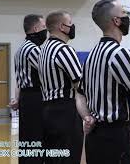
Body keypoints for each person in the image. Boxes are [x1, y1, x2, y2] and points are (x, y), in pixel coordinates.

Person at [77, 0, 130, 164]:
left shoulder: (92, 54)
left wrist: (87, 116)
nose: (126, 17)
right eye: (123, 13)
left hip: (93, 137)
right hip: (115, 138)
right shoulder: (120, 53)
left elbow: (79, 95)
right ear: (116, 21)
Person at [37, 10, 90, 164]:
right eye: (70, 23)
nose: (72, 27)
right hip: (65, 111)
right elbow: (80, 84)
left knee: (52, 158)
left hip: (47, 110)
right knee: (69, 157)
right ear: (62, 27)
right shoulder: (64, 50)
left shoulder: (43, 49)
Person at [10, 14, 47, 164]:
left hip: (26, 98)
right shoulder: (33, 49)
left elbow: (19, 81)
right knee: (36, 138)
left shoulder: (20, 49)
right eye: (44, 27)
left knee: (26, 138)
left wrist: (17, 99)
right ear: (36, 28)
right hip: (35, 98)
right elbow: (47, 72)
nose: (46, 31)